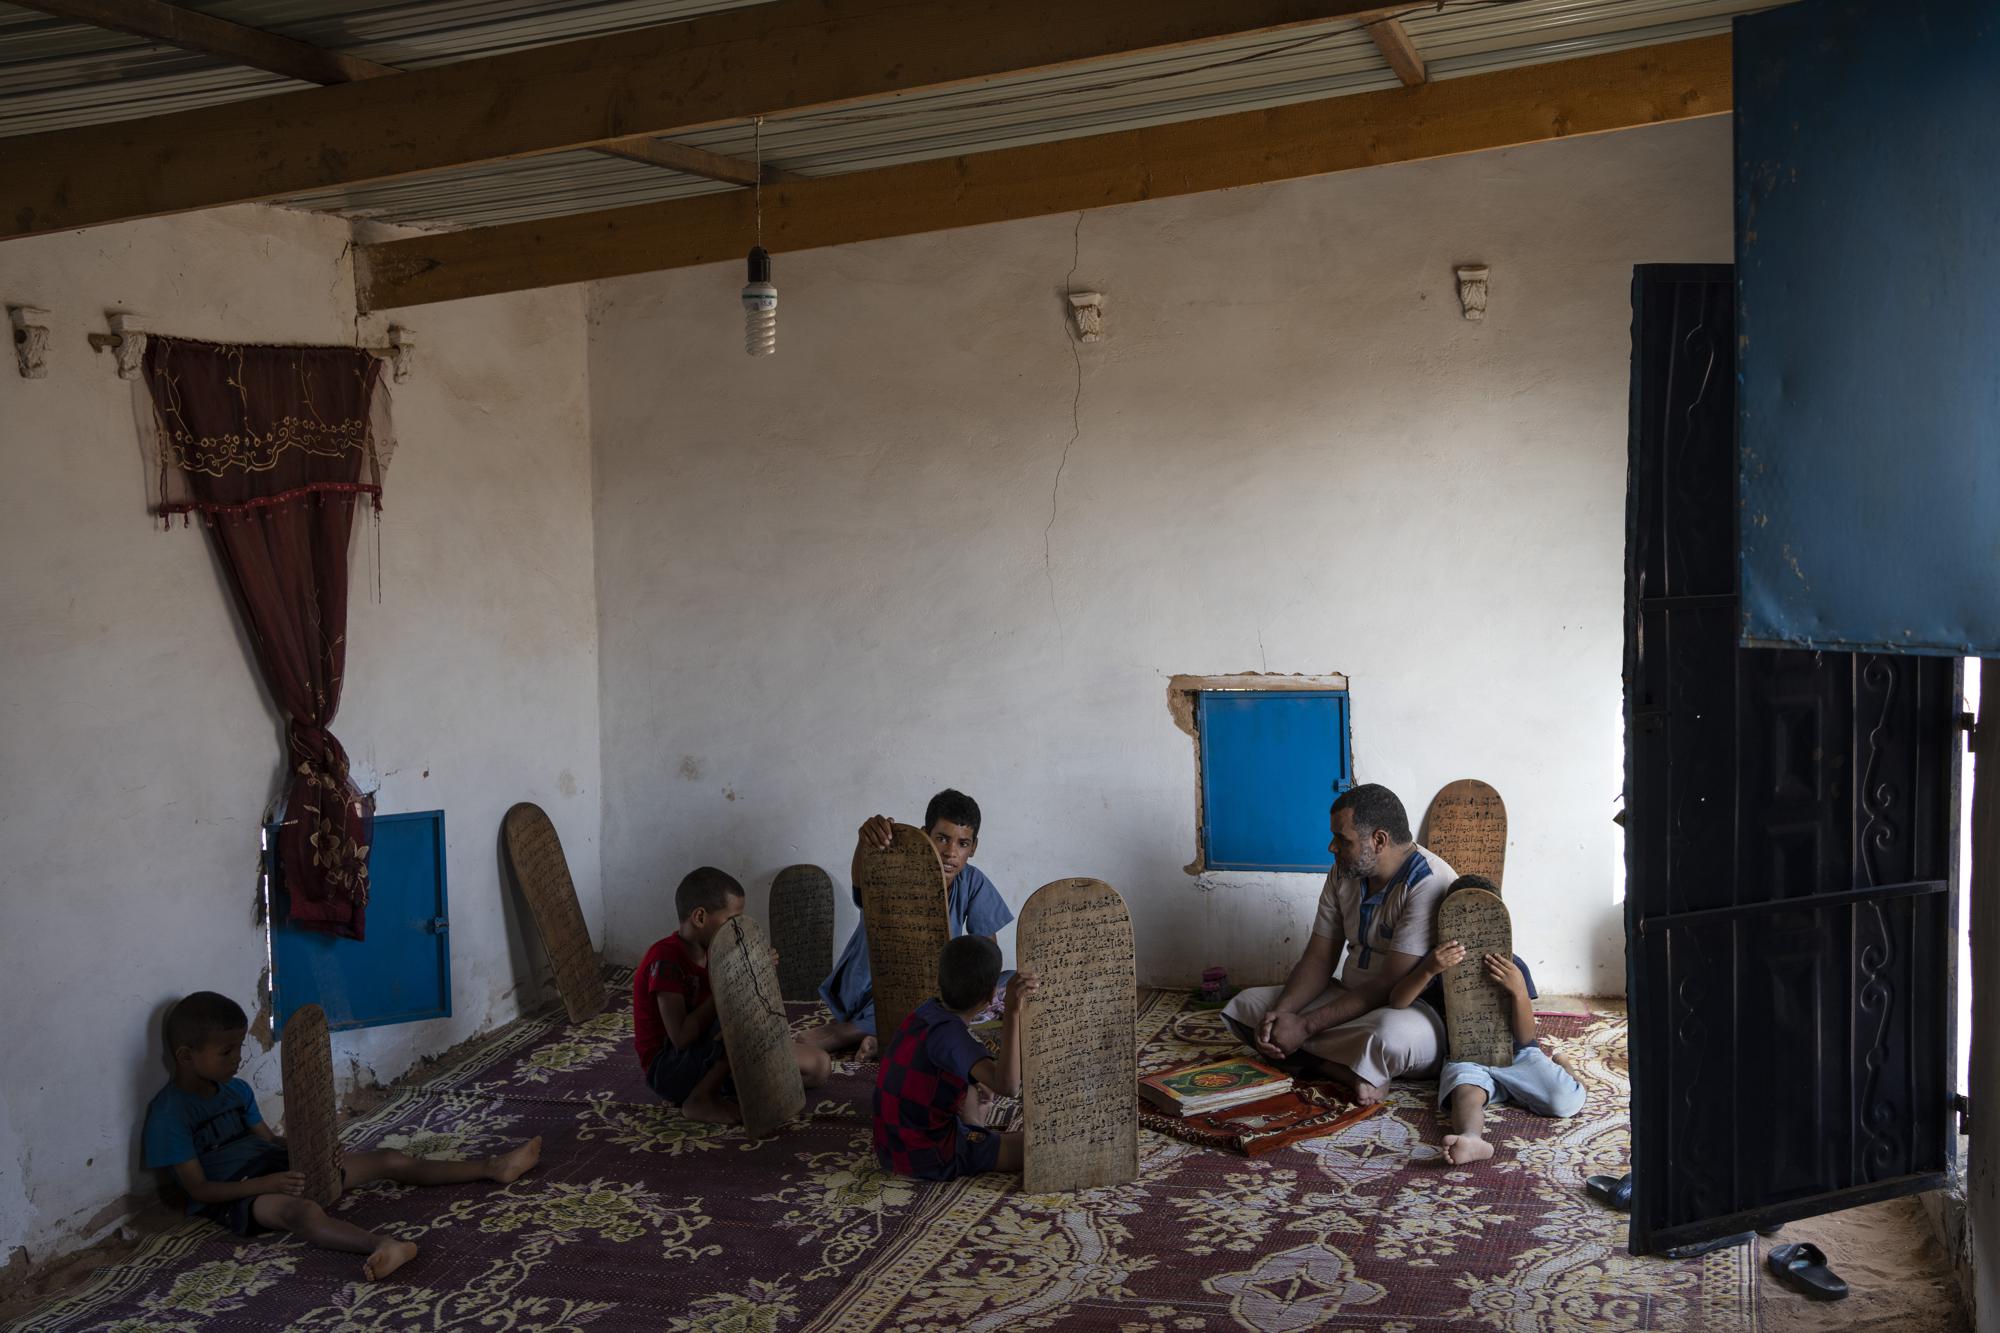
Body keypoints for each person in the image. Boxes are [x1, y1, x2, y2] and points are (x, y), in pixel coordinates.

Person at [142, 991, 542, 1281]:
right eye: (226, 1053)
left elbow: (269, 1142)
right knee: (302, 1213)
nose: (238, 1060)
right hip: (238, 1192)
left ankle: (492, 1168)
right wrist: (269, 1184)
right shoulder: (169, 1115)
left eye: (238, 1049)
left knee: (388, 1159)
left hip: (276, 1170)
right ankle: (379, 1244)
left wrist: (314, 1153)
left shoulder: (237, 1091)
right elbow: (199, 1191)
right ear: (186, 1056)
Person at [1221, 783, 1455, 1104]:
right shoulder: (1344, 872)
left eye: (1342, 840)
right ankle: (1342, 1069)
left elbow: (1389, 984)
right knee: (1249, 1007)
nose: (1332, 847)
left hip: (1406, 1010)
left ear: (1379, 840)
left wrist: (1305, 1026)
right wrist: (1282, 1015)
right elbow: (1318, 959)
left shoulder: (1428, 881)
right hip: (1346, 1001)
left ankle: (1320, 1057)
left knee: (1389, 1039)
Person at [1386, 873, 1587, 1164]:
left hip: (1517, 1056)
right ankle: (1471, 1138)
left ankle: (1566, 1067)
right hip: (1466, 1055)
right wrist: (1428, 970)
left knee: (1564, 1101)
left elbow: (1526, 1036)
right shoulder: (1439, 962)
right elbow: (1398, 1001)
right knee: (1464, 1093)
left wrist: (1518, 991)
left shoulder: (1514, 965)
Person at [809, 789, 1013, 1059]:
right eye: (942, 839)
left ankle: (879, 1037)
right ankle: (844, 1032)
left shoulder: (972, 881)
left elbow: (987, 952)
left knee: (1010, 981)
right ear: (924, 835)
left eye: (962, 843)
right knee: (929, 1003)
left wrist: (983, 992)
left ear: (973, 847)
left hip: (932, 985)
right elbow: (863, 885)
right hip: (874, 983)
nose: (951, 852)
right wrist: (865, 843)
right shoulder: (897, 869)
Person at [634, 866, 832, 1124]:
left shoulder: (715, 951)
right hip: (670, 1067)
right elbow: (681, 1037)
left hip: (715, 1054)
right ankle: (699, 1098)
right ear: (700, 917)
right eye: (731, 921)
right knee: (738, 1017)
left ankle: (721, 1084)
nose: (737, 929)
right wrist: (732, 984)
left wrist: (757, 970)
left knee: (819, 1067)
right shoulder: (665, 958)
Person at [874, 936, 1037, 1179]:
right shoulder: (952, 1037)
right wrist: (1013, 1011)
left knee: (977, 1084)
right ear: (992, 996)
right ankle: (973, 1134)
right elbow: (1009, 1086)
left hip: (889, 1145)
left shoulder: (927, 1011)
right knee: (1032, 1147)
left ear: (940, 980)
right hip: (927, 1154)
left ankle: (972, 1124)